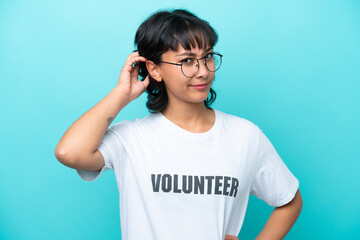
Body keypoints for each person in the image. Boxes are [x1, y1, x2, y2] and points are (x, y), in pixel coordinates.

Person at [55, 9, 303, 240]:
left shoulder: (245, 136)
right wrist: (122, 94)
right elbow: (69, 152)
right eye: (187, 61)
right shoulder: (132, 138)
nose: (203, 71)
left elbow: (290, 200)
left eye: (207, 57)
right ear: (154, 69)